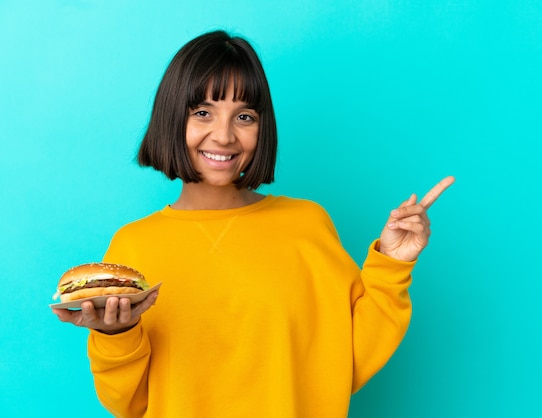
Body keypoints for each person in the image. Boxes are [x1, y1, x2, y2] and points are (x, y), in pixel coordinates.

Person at [53, 30, 454, 418]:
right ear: (172, 118)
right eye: (203, 112)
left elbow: (347, 360)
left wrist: (391, 266)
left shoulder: (306, 224)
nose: (224, 136)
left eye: (244, 116)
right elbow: (128, 403)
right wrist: (116, 336)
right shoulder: (135, 246)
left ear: (263, 128)